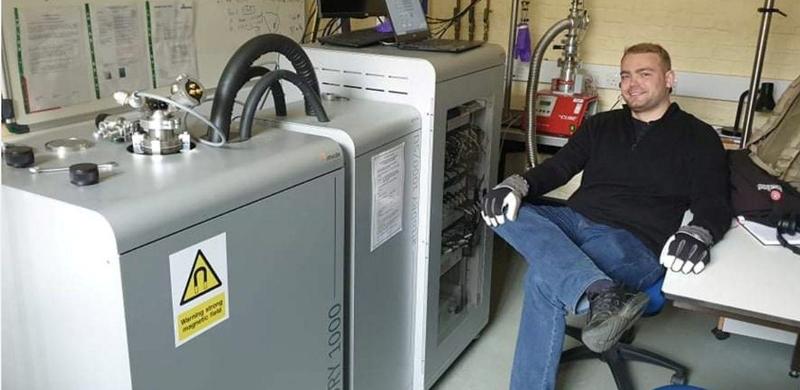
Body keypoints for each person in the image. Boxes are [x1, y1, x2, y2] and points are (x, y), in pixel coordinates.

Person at [481, 43, 732, 390]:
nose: (632, 84)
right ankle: (602, 291)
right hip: (575, 220)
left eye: (645, 74)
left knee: (543, 280)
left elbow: (714, 200)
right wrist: (517, 184)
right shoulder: (600, 125)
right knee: (501, 210)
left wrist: (699, 232)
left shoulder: (699, 137)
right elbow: (558, 168)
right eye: (626, 75)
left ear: (669, 78)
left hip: (635, 240)